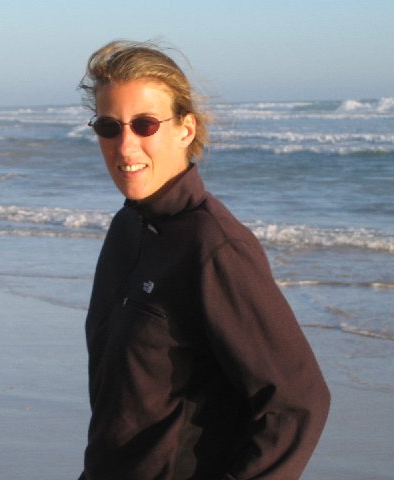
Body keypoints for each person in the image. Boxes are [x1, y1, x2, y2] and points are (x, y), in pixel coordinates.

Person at [77, 40, 330, 480]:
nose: (126, 145)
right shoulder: (127, 229)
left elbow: (298, 402)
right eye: (109, 127)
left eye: (145, 124)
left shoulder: (216, 247)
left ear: (185, 129)